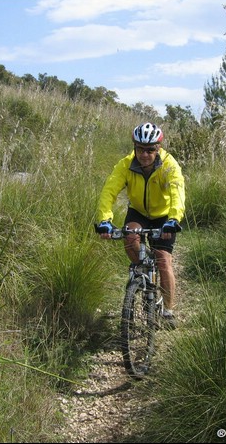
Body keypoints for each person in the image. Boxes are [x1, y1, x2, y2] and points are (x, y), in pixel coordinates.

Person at [95, 122, 186, 329]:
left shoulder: (169, 165)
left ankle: (168, 310)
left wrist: (173, 220)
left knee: (163, 261)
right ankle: (142, 276)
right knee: (130, 237)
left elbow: (177, 193)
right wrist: (105, 221)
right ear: (134, 147)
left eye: (150, 150)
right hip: (138, 212)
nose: (144, 154)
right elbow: (109, 191)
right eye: (140, 149)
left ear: (158, 149)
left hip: (164, 216)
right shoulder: (125, 164)